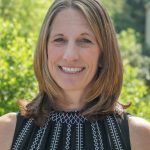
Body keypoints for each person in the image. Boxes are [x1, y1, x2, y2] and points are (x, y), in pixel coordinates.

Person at [0, 0, 150, 149]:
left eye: (85, 40)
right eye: (59, 39)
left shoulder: (140, 137)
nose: (70, 55)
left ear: (104, 54)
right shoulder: (5, 133)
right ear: (44, 50)